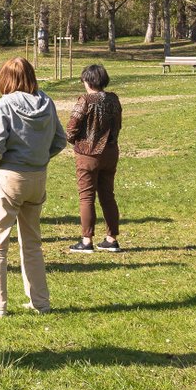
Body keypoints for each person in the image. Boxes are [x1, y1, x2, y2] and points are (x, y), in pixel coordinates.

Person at [0, 57, 67, 317]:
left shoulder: (5, 103)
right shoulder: (47, 101)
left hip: (11, 176)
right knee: (32, 243)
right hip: (37, 177)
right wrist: (40, 158)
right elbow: (60, 140)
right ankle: (40, 302)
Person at [65, 63, 123, 253]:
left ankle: (86, 240)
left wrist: (73, 141)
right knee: (108, 196)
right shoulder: (114, 99)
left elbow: (72, 126)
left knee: (86, 197)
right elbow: (118, 125)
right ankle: (111, 239)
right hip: (110, 151)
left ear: (88, 81)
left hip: (88, 154)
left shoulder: (86, 100)